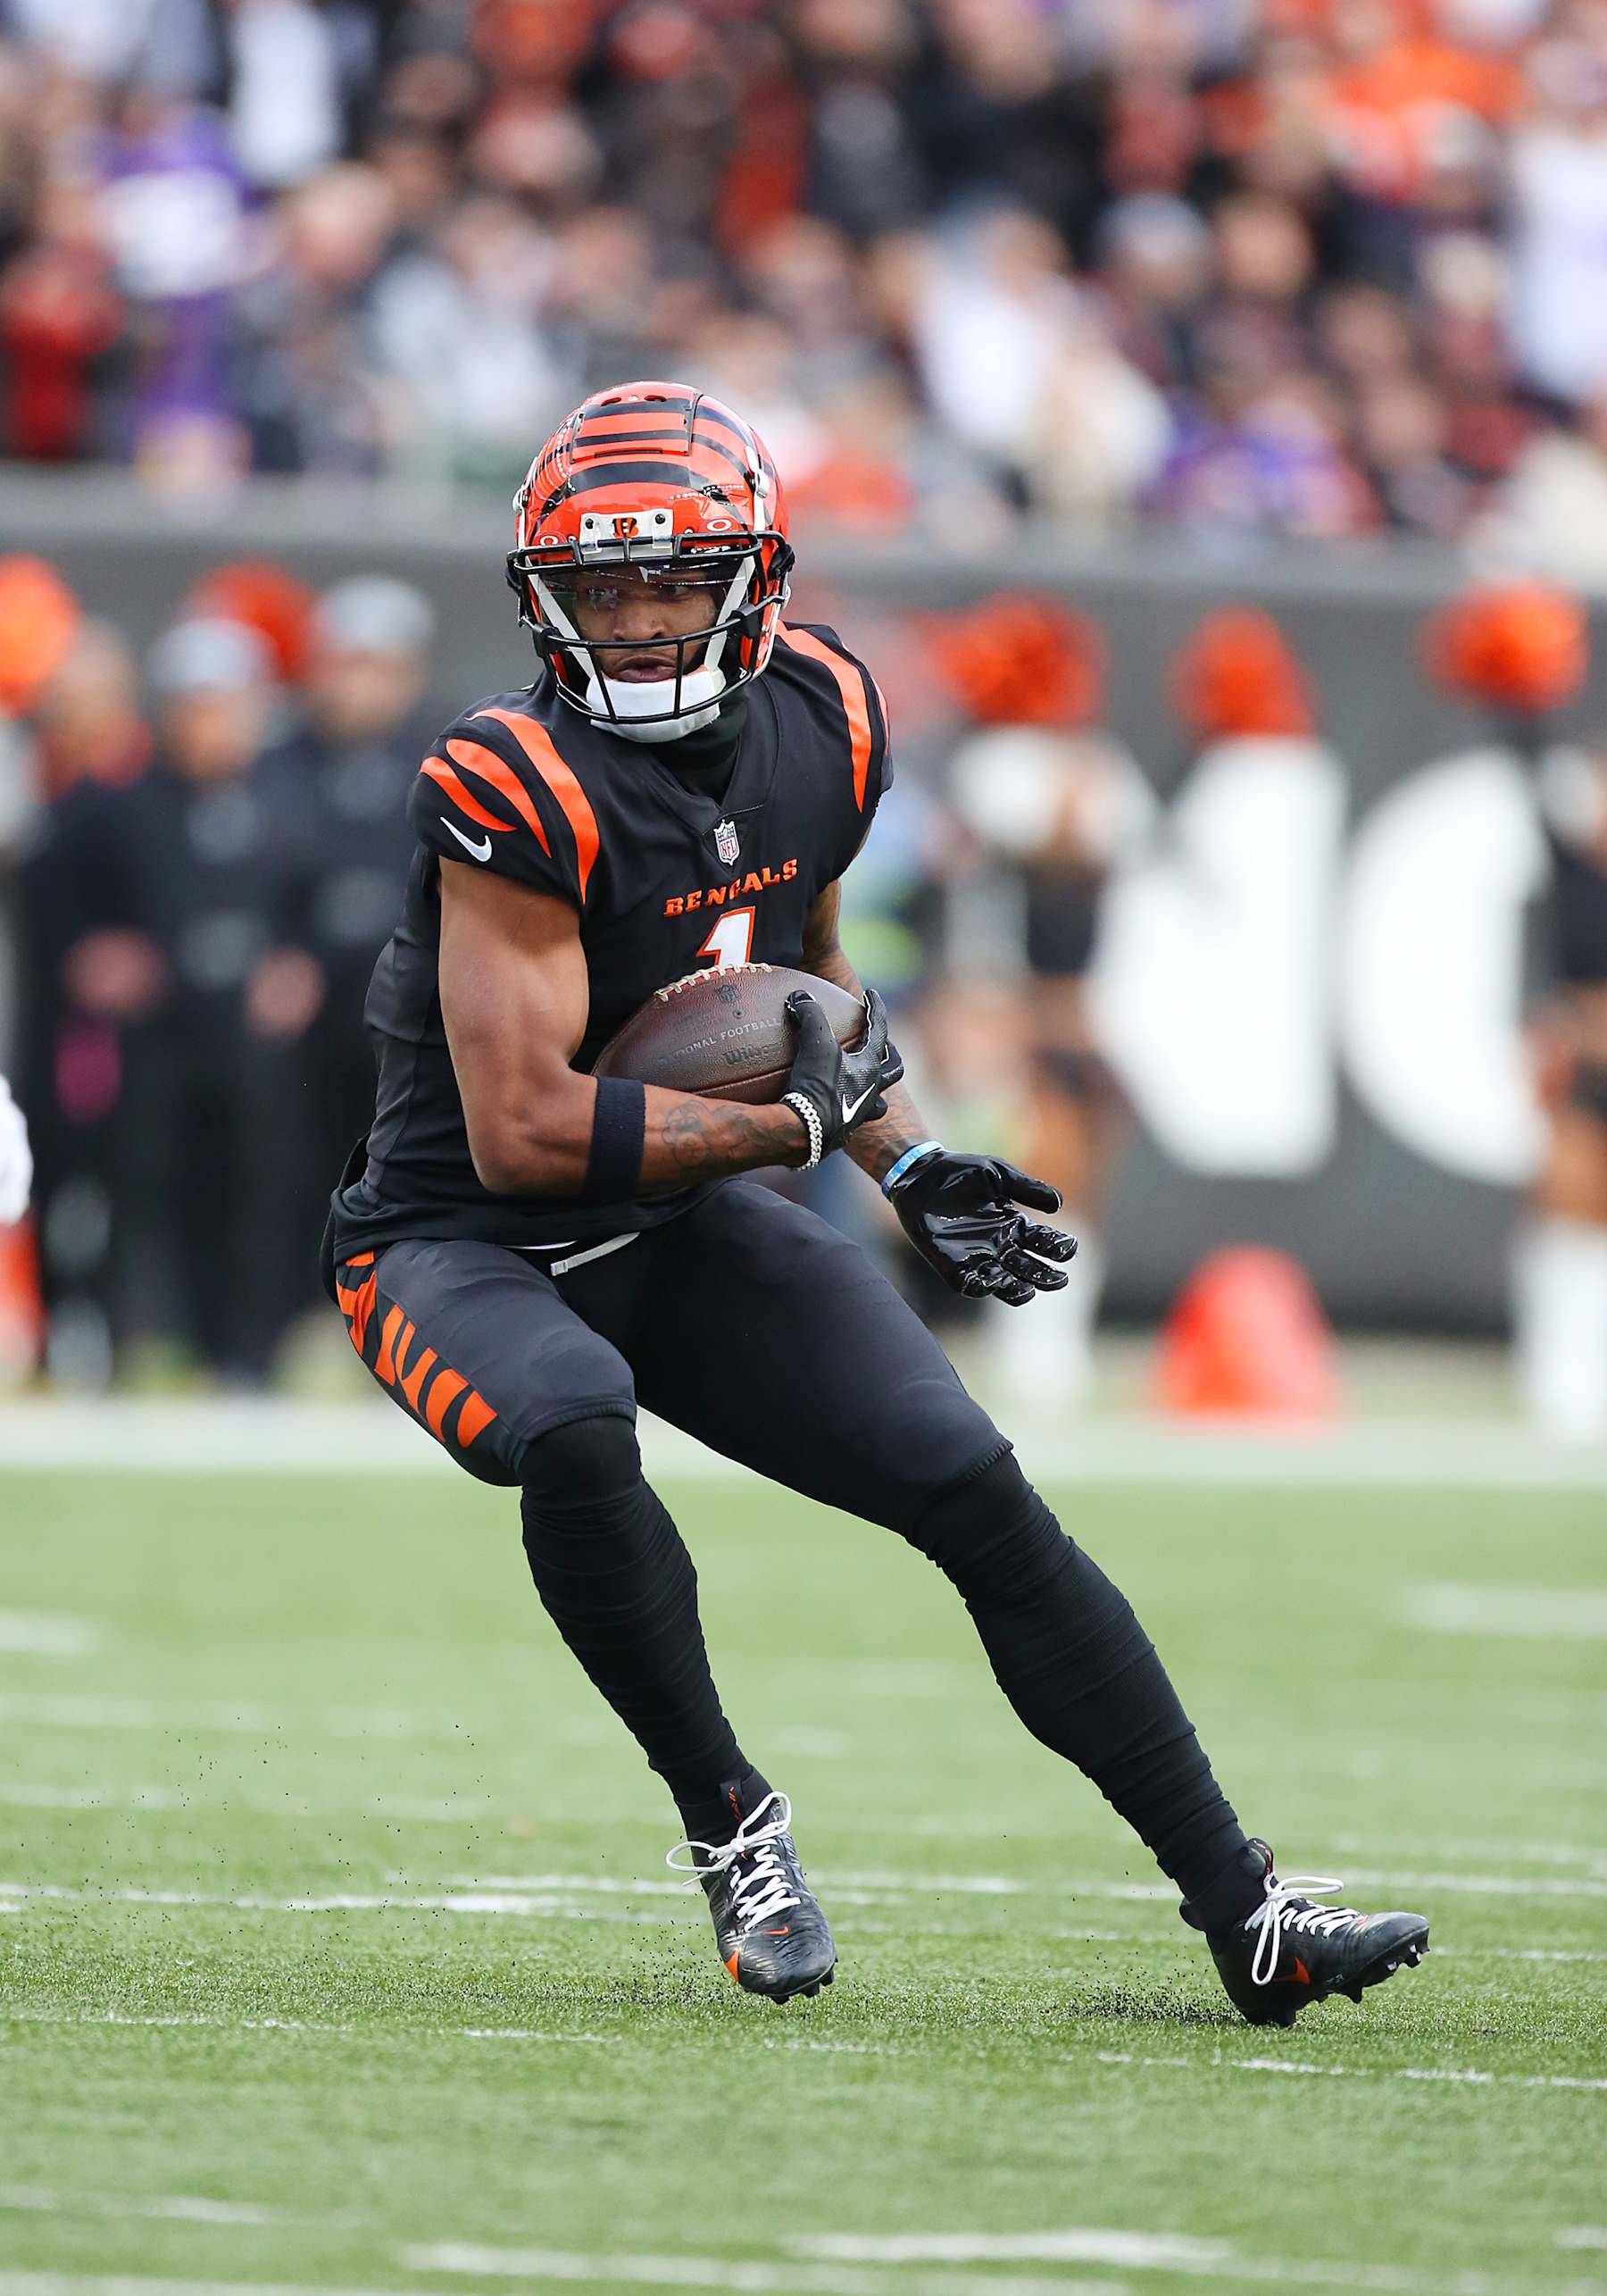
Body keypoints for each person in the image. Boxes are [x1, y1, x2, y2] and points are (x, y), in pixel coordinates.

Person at [323, 379, 1428, 2025]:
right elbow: (524, 1133)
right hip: (455, 1242)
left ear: (755, 580)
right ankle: (732, 1823)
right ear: (544, 601)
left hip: (679, 1221)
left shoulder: (827, 713)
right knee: (574, 1422)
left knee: (974, 1486)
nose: (639, 620)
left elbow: (811, 985)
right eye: (604, 588)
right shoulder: (510, 781)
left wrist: (903, 1156)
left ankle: (1247, 1908)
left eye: (675, 579)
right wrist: (795, 1133)